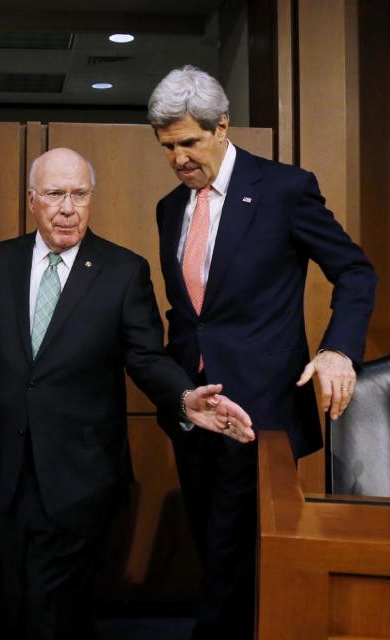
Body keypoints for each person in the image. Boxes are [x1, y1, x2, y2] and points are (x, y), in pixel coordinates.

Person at [0, 148, 256, 640]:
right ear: (32, 200)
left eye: (80, 195)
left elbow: (146, 358)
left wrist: (185, 398)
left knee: (49, 610)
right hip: (8, 476)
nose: (68, 208)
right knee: (12, 605)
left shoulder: (123, 271)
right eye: (56, 195)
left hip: (81, 478)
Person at [147, 65, 377, 639]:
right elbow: (189, 316)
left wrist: (338, 351)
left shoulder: (283, 189)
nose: (178, 159)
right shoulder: (169, 208)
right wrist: (177, 395)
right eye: (167, 147)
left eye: (189, 142)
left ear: (221, 127)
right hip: (196, 413)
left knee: (236, 564)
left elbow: (355, 271)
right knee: (215, 555)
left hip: (263, 415)